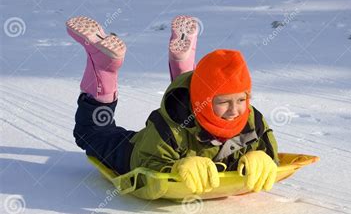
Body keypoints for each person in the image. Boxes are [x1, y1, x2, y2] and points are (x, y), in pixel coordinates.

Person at [67, 15, 279, 194]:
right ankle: (103, 68)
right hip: (134, 151)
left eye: (242, 99)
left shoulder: (252, 120)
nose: (235, 111)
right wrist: (174, 169)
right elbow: (146, 164)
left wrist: (263, 157)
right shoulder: (170, 125)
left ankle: (183, 64)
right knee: (90, 132)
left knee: (198, 91)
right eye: (223, 102)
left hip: (182, 123)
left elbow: (271, 155)